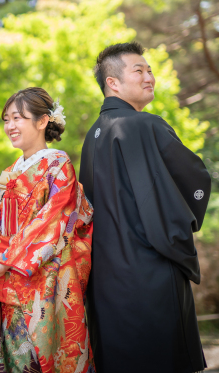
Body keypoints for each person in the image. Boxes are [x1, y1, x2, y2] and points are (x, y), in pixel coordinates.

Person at [79, 42, 211, 373]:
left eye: (150, 70)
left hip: (107, 283)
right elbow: (195, 178)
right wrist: (181, 230)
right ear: (113, 83)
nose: (149, 76)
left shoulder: (92, 136)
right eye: (139, 70)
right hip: (150, 272)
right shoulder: (145, 125)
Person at [0, 87, 95, 373]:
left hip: (38, 281)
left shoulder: (58, 165)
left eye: (18, 118)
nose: (10, 126)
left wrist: (5, 262)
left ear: (43, 121)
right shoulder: (8, 173)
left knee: (31, 361)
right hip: (1, 283)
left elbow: (52, 222)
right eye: (6, 119)